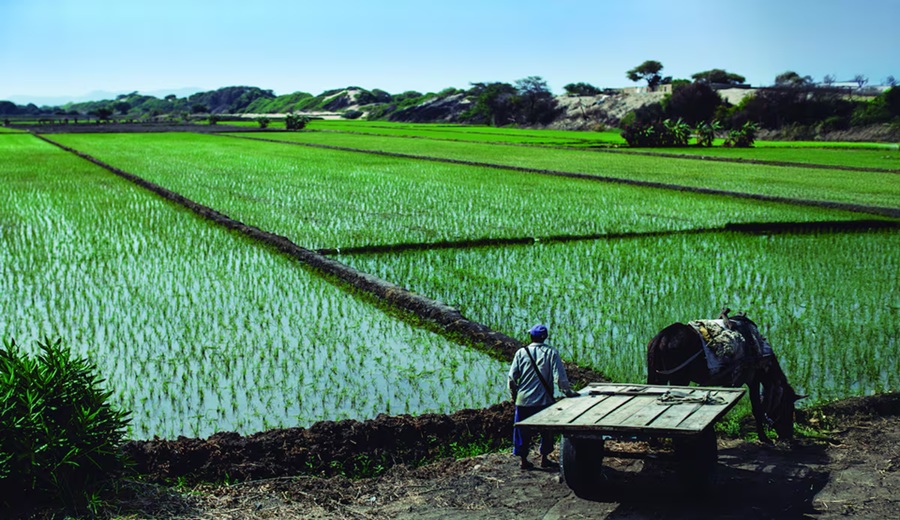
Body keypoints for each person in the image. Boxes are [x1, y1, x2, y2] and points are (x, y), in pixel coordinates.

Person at [508, 324, 579, 470]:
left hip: (523, 400)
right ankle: (544, 458)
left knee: (521, 431)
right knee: (546, 431)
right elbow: (560, 378)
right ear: (544, 337)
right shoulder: (551, 352)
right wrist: (568, 393)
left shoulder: (521, 352)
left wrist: (514, 395)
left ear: (531, 336)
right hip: (544, 400)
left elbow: (512, 378)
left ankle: (523, 460)